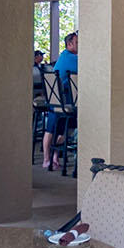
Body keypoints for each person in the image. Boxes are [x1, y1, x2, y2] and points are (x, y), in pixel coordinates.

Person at [41, 32, 78, 172]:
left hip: (56, 102)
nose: (80, 45)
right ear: (69, 44)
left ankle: (51, 158)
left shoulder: (63, 56)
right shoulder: (73, 58)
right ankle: (49, 158)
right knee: (66, 126)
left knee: (55, 128)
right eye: (77, 42)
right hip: (64, 102)